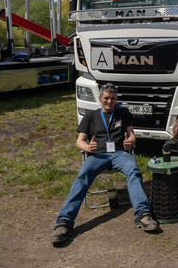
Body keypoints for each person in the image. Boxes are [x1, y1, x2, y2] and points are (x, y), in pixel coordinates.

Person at [50, 83, 159, 244]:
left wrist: (130, 142)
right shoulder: (91, 115)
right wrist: (87, 146)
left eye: (113, 98)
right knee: (83, 175)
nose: (109, 101)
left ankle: (143, 215)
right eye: (106, 98)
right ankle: (64, 222)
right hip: (97, 155)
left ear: (116, 99)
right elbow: (79, 141)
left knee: (133, 169)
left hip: (120, 153)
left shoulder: (123, 113)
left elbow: (132, 135)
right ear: (100, 98)